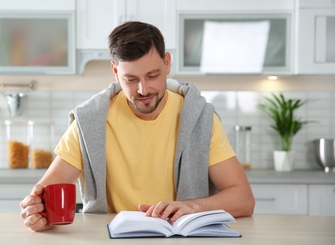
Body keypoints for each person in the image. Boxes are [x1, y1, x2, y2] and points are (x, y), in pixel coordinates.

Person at [20, 21, 255, 232]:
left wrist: (191, 206)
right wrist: (36, 212)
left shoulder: (200, 118)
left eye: (152, 75)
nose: (143, 90)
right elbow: (45, 191)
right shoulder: (90, 121)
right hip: (109, 243)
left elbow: (244, 199)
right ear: (115, 71)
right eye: (130, 80)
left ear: (167, 63)